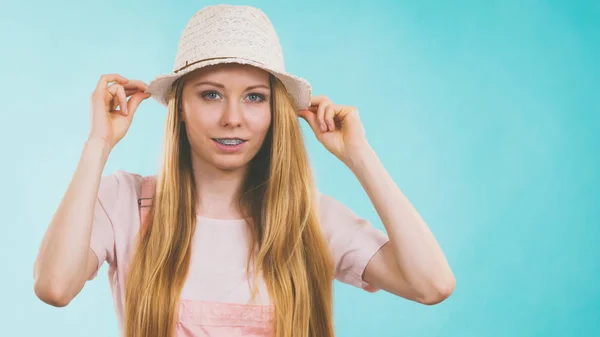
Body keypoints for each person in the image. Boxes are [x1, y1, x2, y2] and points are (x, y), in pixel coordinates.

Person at [33, 4, 455, 337]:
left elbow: (431, 285)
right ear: (180, 108)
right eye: (211, 94)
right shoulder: (124, 201)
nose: (233, 118)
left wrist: (360, 156)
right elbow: (55, 286)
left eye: (254, 98)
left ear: (275, 111)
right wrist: (98, 144)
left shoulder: (311, 219)